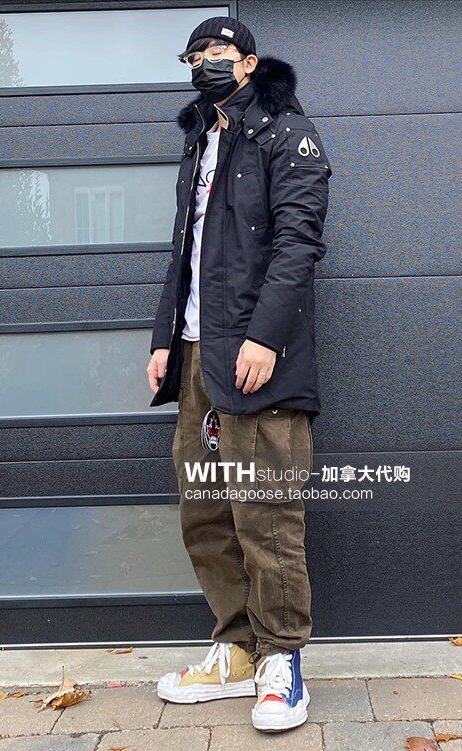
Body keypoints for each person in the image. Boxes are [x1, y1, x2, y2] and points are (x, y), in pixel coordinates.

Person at [146, 16, 332, 733]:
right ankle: (235, 648)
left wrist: (264, 337)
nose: (205, 63)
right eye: (195, 55)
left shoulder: (287, 134)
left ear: (249, 62)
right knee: (205, 507)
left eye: (218, 53)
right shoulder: (200, 140)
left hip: (259, 355)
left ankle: (281, 659)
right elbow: (183, 252)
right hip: (197, 352)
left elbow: (299, 242)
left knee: (265, 513)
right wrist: (165, 340)